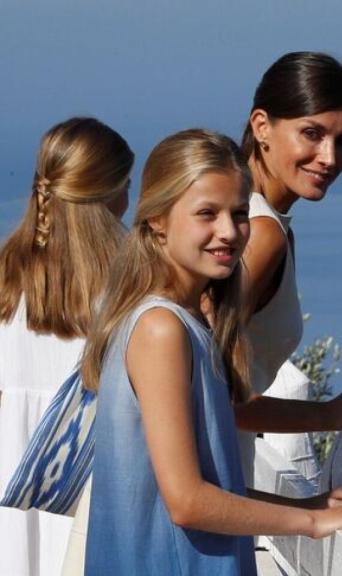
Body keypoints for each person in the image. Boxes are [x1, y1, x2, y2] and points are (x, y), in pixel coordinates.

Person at [78, 129, 342, 574]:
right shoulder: (161, 329)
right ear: (157, 219)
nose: (229, 232)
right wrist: (310, 521)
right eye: (206, 214)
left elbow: (211, 485)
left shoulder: (182, 321)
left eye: (239, 213)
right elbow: (187, 501)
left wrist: (306, 502)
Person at [233, 52, 342, 484]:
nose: (329, 157)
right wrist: (331, 413)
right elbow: (211, 398)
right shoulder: (261, 234)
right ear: (262, 127)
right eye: (312, 133)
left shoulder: (238, 217)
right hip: (204, 484)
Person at [0, 117, 133, 576]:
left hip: (8, 474)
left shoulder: (5, 274)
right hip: (88, 472)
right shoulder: (129, 285)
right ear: (110, 195)